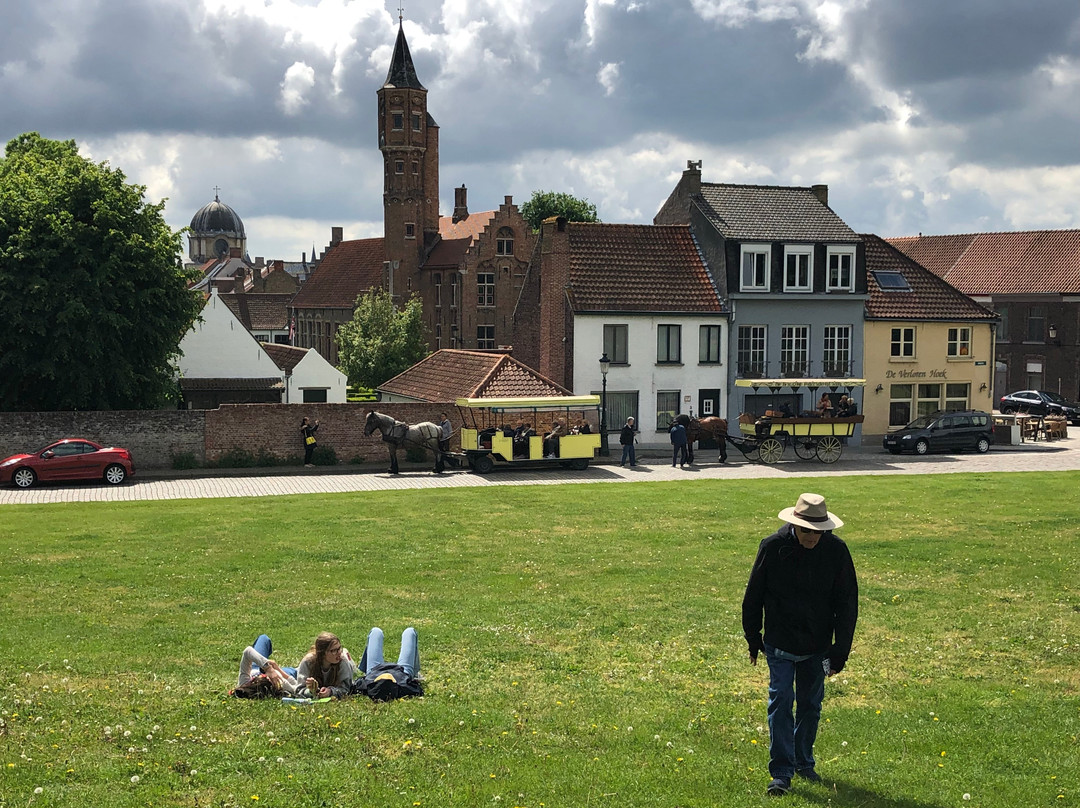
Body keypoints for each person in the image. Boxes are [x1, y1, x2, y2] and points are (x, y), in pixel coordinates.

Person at [741, 493, 859, 797]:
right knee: (780, 701)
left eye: (819, 532)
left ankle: (804, 761)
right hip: (779, 643)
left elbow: (847, 604)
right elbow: (754, 594)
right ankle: (781, 772)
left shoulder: (837, 552)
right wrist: (753, 637)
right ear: (795, 526)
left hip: (817, 646)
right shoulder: (772, 547)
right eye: (807, 531)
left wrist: (839, 651)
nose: (812, 537)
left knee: (810, 705)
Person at [353, 626, 424, 701]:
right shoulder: (403, 684)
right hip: (399, 673)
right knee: (409, 631)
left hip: (375, 672)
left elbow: (417, 689)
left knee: (376, 631)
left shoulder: (367, 684)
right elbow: (417, 688)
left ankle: (415, 675)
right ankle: (415, 675)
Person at [296, 631, 355, 699]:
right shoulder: (308, 662)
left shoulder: (342, 661)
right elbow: (299, 690)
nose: (339, 653)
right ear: (322, 653)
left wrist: (330, 692)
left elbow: (346, 689)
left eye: (339, 648)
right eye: (334, 651)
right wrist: (311, 691)